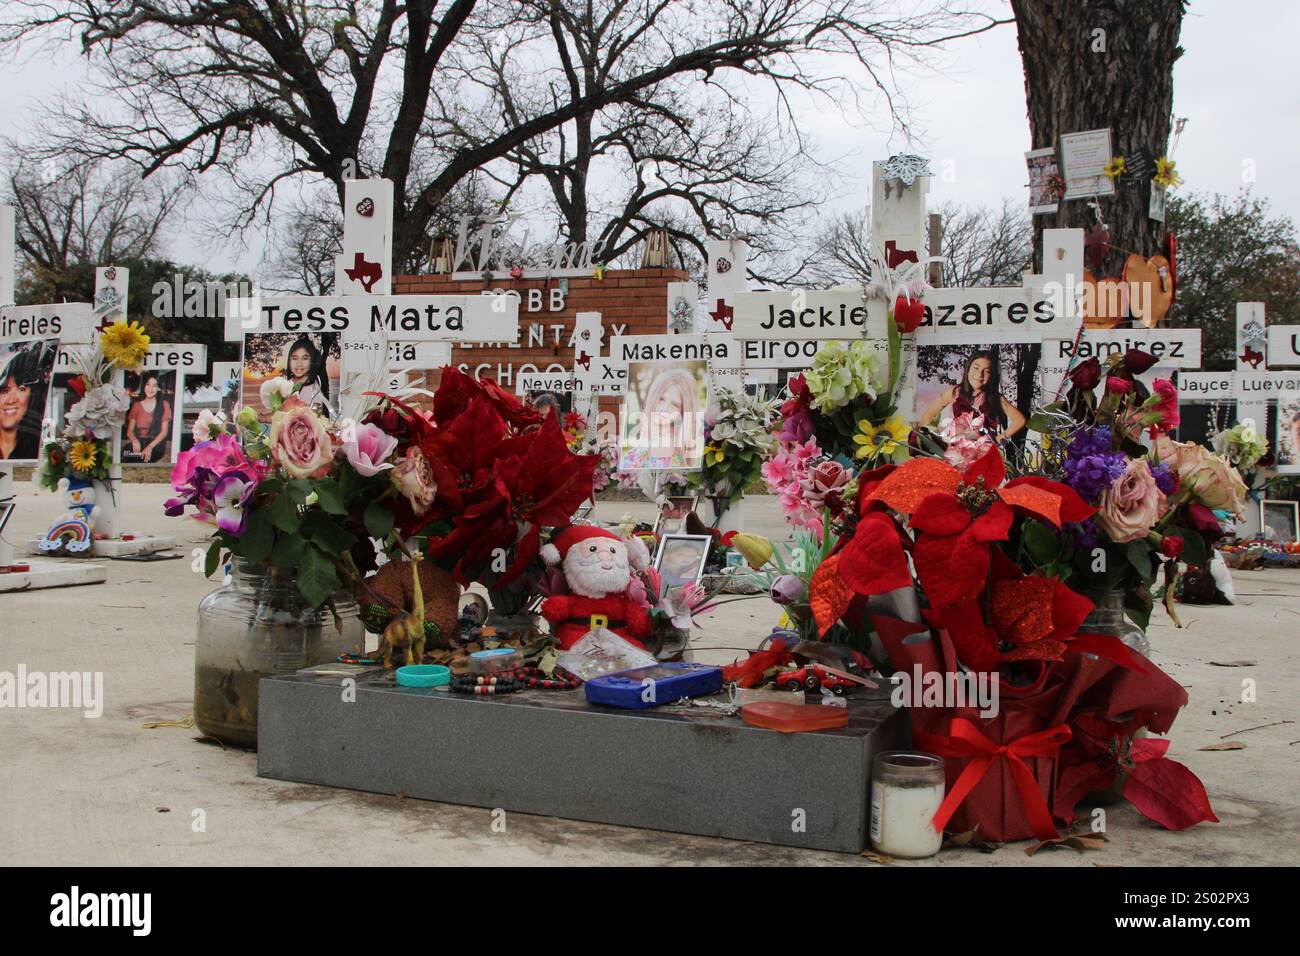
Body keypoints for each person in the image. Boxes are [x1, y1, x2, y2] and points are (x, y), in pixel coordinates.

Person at [919, 350, 1027, 442]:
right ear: (968, 368)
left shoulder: (995, 398)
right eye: (976, 368)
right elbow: (927, 417)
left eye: (987, 371)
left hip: (979, 453)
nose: (980, 375)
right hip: (953, 449)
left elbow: (1020, 420)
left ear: (992, 375)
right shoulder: (955, 391)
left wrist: (997, 440)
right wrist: (930, 440)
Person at [624, 367, 703, 469]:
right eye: (662, 399)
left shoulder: (681, 453)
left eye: (674, 404)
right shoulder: (636, 452)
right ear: (654, 397)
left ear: (682, 412)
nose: (664, 408)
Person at [0, 340, 55, 461]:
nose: (11, 400)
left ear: (33, 395)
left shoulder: (42, 450)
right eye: (4, 391)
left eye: (21, 389)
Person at [125, 372, 173, 463]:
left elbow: (164, 432)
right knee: (126, 452)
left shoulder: (164, 405)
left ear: (158, 388)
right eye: (148, 384)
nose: (151, 389)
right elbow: (129, 431)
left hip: (155, 444)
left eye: (154, 386)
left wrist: (150, 447)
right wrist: (134, 440)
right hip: (140, 442)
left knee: (146, 455)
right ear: (143, 386)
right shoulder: (137, 405)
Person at [284, 336, 329, 410]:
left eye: (305, 358)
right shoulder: (286, 383)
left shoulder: (313, 389)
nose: (299, 364)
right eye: (295, 358)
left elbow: (313, 416)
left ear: (312, 361)